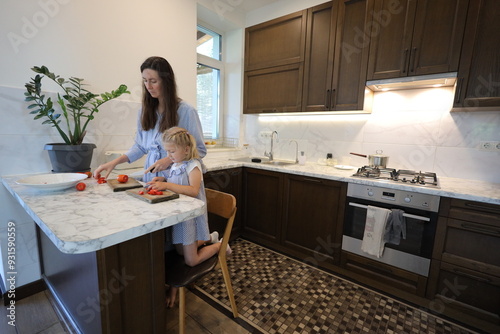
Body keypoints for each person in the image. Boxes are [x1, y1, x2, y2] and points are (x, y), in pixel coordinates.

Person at [148, 126, 229, 307]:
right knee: (179, 251)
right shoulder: (176, 164)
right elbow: (177, 183)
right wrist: (164, 180)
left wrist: (167, 186)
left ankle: (220, 245)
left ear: (185, 149)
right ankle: (209, 237)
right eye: (167, 151)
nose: (169, 155)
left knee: (191, 261)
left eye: (172, 151)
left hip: (190, 219)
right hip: (180, 218)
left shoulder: (194, 164)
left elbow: (192, 190)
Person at [93, 56, 206, 182]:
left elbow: (200, 150)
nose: (148, 86)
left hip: (178, 181)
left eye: (153, 81)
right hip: (152, 180)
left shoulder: (186, 111)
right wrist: (114, 162)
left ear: (166, 81)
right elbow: (140, 147)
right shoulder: (144, 111)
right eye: (145, 80)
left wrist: (168, 160)